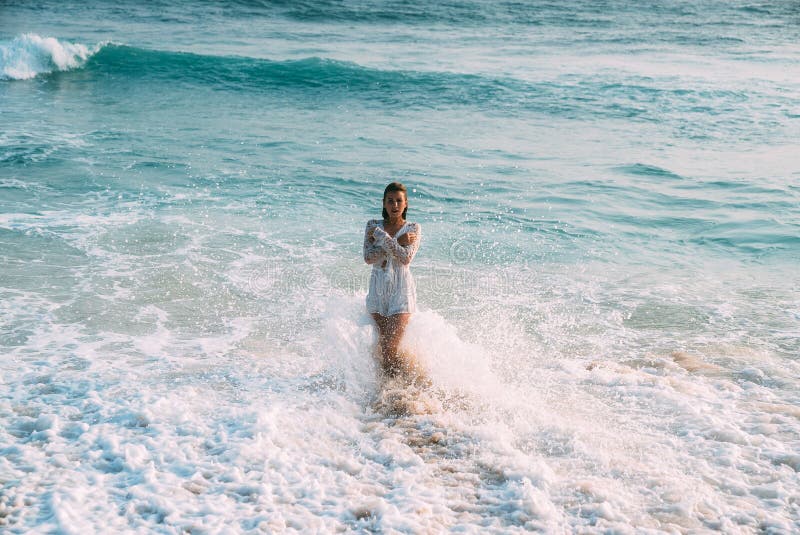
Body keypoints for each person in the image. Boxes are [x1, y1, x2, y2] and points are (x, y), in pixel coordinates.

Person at [363, 182, 421, 377]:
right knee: (383, 347)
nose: (394, 205)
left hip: (401, 290)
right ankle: (391, 386)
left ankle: (401, 388)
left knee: (390, 346)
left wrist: (381, 239)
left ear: (406, 204)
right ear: (384, 203)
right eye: (390, 201)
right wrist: (397, 242)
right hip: (377, 290)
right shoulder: (373, 226)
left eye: (399, 201)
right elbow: (368, 258)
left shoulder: (413, 228)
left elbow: (405, 259)